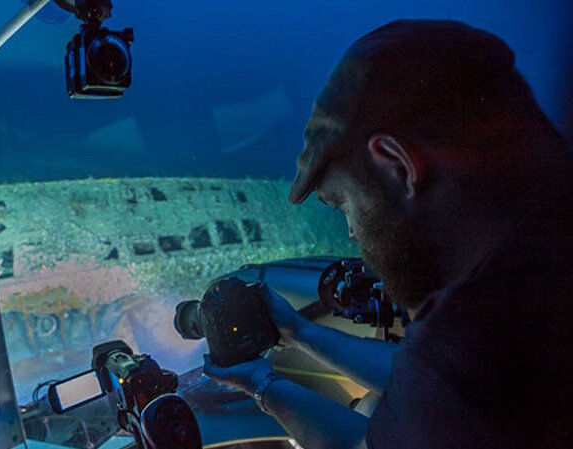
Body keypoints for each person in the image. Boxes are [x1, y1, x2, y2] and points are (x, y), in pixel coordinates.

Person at [203, 19, 573, 449]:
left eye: (343, 205)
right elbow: (413, 372)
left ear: (398, 164)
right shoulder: (532, 282)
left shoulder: (479, 342)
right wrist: (297, 332)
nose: (353, 235)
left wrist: (262, 388)